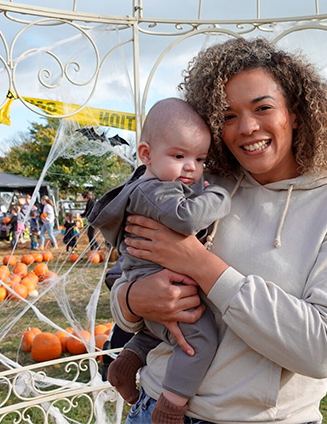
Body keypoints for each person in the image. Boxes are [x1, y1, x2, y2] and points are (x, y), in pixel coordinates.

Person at [110, 37, 327, 424]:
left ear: (296, 113)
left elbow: (324, 349)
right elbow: (128, 268)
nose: (247, 127)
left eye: (263, 108)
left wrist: (202, 265)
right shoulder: (200, 189)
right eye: (228, 115)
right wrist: (134, 300)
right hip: (154, 407)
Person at [89, 98, 231, 421]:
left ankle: (126, 363)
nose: (191, 167)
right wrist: (219, 196)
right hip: (156, 284)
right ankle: (170, 405)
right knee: (200, 338)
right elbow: (185, 217)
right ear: (146, 154)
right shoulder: (156, 190)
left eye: (199, 158)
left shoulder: (149, 185)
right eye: (179, 156)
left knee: (160, 330)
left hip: (149, 283)